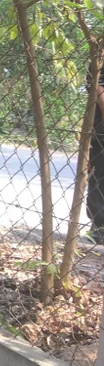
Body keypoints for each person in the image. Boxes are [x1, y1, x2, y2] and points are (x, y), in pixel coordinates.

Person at [87, 65, 104, 243]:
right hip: (101, 129)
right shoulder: (99, 59)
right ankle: (99, 226)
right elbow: (98, 86)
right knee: (99, 176)